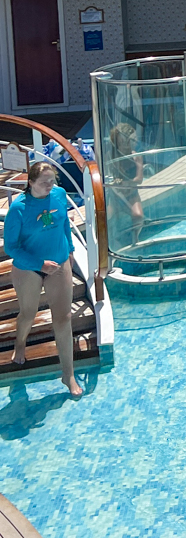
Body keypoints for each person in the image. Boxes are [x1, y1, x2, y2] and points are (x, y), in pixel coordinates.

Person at [3, 160, 82, 396]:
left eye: (52, 181)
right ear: (30, 183)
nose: (50, 186)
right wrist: (40, 264)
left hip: (59, 263)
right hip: (29, 268)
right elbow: (11, 248)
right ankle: (20, 344)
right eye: (44, 182)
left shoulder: (58, 194)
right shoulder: (19, 209)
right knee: (29, 312)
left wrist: (69, 250)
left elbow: (65, 224)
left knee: (64, 318)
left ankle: (68, 374)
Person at [106, 120, 145, 245]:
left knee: (138, 216)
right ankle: (111, 242)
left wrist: (124, 183)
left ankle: (135, 238)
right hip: (116, 196)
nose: (125, 146)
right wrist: (118, 184)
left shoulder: (136, 156)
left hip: (132, 195)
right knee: (107, 219)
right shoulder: (110, 157)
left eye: (127, 142)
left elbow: (139, 179)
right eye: (121, 143)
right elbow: (108, 178)